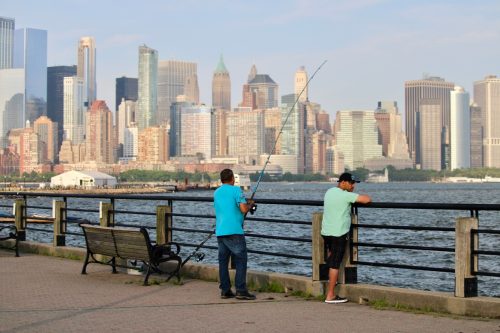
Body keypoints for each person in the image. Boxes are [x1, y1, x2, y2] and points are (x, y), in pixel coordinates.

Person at [321, 172, 371, 304]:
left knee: (332, 260)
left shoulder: (329, 192)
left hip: (327, 231)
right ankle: (330, 295)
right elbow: (366, 199)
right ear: (343, 182)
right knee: (335, 264)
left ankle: (329, 290)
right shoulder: (346, 196)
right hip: (339, 233)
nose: (353, 186)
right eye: (351, 183)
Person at [213, 168, 256, 300]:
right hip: (234, 231)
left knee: (223, 262)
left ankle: (225, 290)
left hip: (220, 231)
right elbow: (243, 208)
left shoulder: (217, 192)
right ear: (232, 179)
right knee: (241, 260)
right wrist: (250, 205)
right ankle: (241, 290)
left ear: (221, 179)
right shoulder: (236, 190)